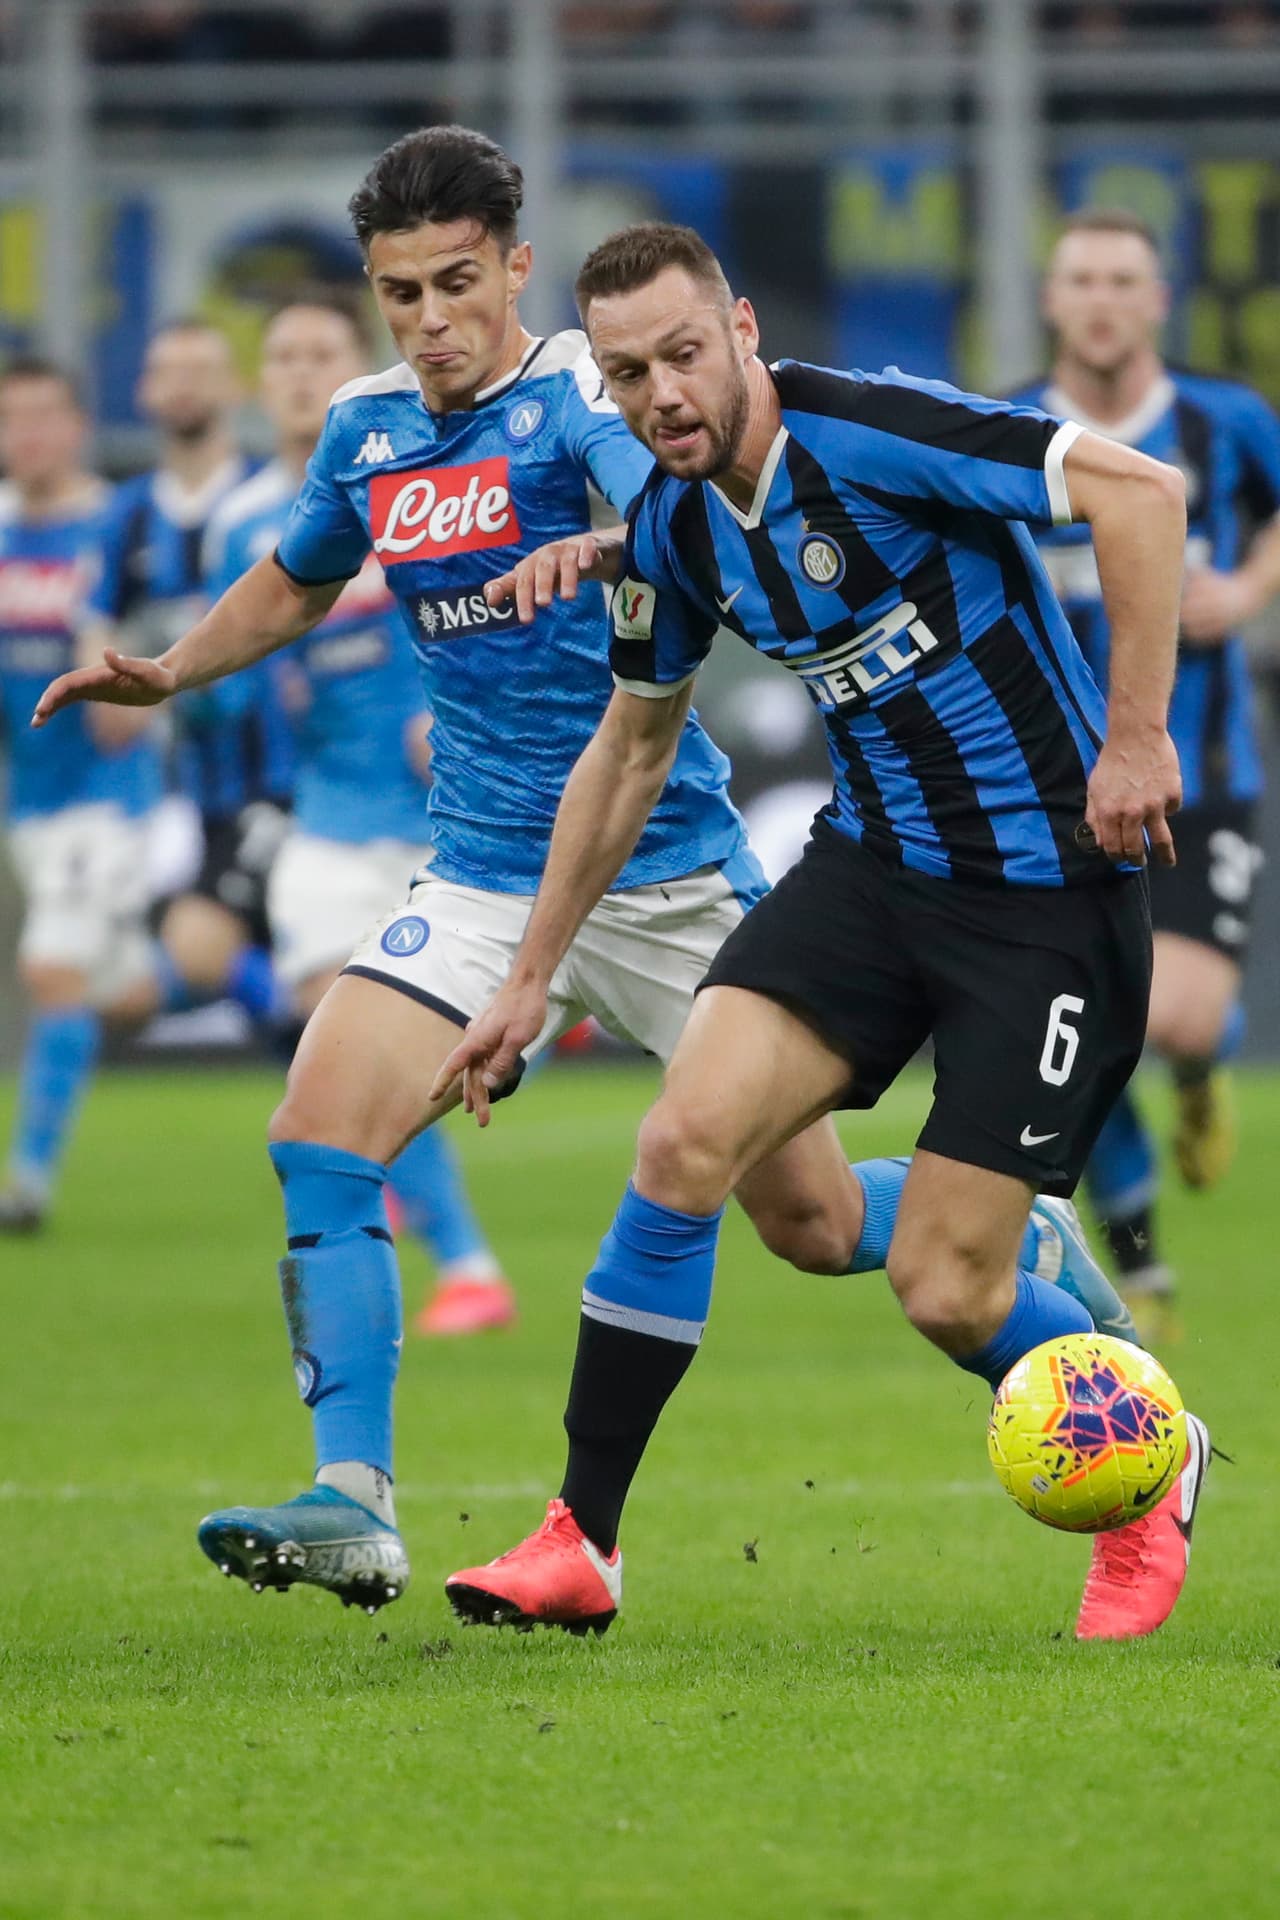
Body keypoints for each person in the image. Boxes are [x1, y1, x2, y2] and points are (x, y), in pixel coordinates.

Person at [32, 129, 1128, 1616]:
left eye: (456, 283)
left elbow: (669, 509)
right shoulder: (365, 430)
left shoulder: (585, 400)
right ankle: (353, 1500)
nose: (428, 319)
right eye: (399, 291)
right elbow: (298, 578)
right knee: (320, 1127)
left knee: (810, 1228)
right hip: (490, 875)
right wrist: (169, 670)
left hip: (668, 872)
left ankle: (1045, 1285)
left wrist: (596, 548)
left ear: (517, 271)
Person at [436, 220, 1206, 1645]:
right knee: (706, 1161)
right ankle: (579, 1544)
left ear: (737, 328)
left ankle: (1149, 1471)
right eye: (624, 376)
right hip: (868, 875)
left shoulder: (875, 428)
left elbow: (1143, 495)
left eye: (680, 354)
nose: (661, 395)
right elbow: (628, 750)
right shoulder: (669, 529)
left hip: (1046, 898)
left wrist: (1137, 737)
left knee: (939, 1284)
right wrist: (528, 981)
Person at [208, 290, 512, 1335]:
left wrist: (443, 720)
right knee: (321, 1007)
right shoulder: (243, 526)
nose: (300, 372)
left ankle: (428, 1233)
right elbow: (240, 673)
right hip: (332, 816)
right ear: (264, 383)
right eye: (282, 356)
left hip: (451, 813)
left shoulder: (423, 483)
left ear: (358, 369)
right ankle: (462, 1261)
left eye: (320, 353)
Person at [1010, 209, 1280, 1341]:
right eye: (1082, 279)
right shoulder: (1010, 428)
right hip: (1050, 785)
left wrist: (1251, 590)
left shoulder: (1225, 423)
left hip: (1200, 768)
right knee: (1081, 1024)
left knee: (1167, 1019)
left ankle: (1201, 1070)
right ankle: (1139, 1266)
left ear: (1156, 299)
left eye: (1124, 277)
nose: (1103, 299)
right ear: (1051, 299)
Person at [86, 317, 292, 1033]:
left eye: (200, 368)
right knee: (131, 985)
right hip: (187, 793)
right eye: (167, 370)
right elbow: (97, 626)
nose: (183, 385)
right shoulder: (129, 517)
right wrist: (105, 685)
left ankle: (340, 1043)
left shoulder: (276, 501)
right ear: (144, 391)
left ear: (234, 387)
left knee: (203, 948)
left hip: (284, 779)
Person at [0, 360, 163, 1229]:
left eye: (40, 417)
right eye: (10, 419)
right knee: (127, 989)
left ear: (74, 427)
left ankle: (25, 1184)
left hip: (109, 799)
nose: (25, 436)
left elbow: (160, 636)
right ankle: (238, 978)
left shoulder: (115, 524)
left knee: (50, 971)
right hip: (31, 802)